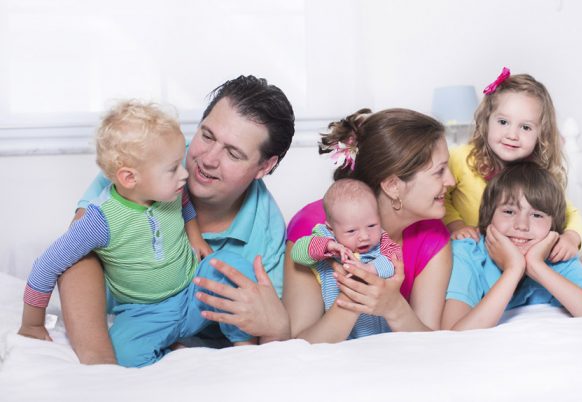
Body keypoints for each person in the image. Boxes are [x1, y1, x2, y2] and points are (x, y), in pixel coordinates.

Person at [56, 76, 295, 364]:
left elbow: (264, 323)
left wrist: (276, 327)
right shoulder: (147, 160)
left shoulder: (266, 231)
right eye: (206, 136)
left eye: (233, 153)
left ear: (264, 166)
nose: (207, 159)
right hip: (128, 323)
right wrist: (101, 365)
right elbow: (75, 256)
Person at [19, 101, 258, 367]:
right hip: (144, 313)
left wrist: (195, 237)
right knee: (125, 354)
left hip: (194, 293)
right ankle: (170, 349)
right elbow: (46, 265)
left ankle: (243, 344)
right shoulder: (100, 220)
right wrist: (32, 322)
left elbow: (186, 205)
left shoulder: (171, 192)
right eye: (173, 168)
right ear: (130, 178)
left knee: (233, 266)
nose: (184, 175)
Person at [284, 108, 455, 343]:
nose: (452, 181)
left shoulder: (432, 236)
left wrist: (394, 307)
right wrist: (356, 295)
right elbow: (297, 346)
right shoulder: (315, 229)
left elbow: (429, 343)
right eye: (439, 172)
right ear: (393, 186)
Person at [441, 162, 582, 331]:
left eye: (536, 215)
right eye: (509, 211)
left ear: (553, 226)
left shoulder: (557, 254)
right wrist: (514, 269)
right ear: (489, 216)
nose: (521, 225)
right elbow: (454, 333)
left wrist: (536, 266)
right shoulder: (468, 251)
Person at [444, 67, 582, 262]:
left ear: (541, 134)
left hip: (519, 259)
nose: (512, 135)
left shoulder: (537, 175)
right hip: (469, 255)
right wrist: (457, 225)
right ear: (487, 120)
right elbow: (440, 197)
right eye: (503, 122)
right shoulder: (460, 158)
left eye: (525, 127)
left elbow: (570, 213)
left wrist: (571, 237)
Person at [290, 179, 401, 339]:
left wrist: (370, 269)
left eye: (371, 225)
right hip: (341, 334)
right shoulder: (325, 239)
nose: (364, 236)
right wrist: (327, 246)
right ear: (331, 228)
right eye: (351, 231)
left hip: (380, 335)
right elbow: (297, 253)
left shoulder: (382, 241)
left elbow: (395, 258)